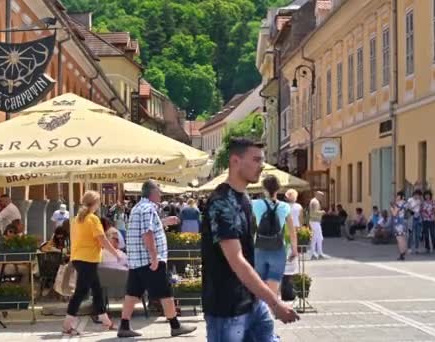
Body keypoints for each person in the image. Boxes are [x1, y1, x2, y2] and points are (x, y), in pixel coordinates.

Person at [202, 138, 299, 342]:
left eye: (262, 160)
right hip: (227, 308)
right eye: (256, 159)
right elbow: (236, 260)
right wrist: (274, 303)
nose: (261, 165)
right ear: (235, 161)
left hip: (252, 302)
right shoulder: (221, 202)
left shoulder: (244, 198)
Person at [117, 180, 196, 338]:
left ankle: (124, 326)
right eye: (159, 191)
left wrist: (165, 222)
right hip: (149, 259)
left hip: (137, 260)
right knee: (165, 291)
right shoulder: (148, 209)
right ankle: (175, 325)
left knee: (132, 293)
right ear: (152, 193)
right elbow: (147, 233)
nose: (160, 194)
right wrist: (154, 257)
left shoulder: (138, 208)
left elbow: (148, 227)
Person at [63, 191, 121, 335]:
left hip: (78, 258)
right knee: (81, 292)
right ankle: (67, 325)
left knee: (96, 289)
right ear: (95, 203)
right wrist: (116, 253)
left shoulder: (76, 219)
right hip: (88, 259)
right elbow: (102, 240)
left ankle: (105, 321)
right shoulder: (93, 219)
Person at [252, 175, 297, 296]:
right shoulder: (285, 207)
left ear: (264, 189)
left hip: (260, 248)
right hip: (278, 248)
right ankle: (272, 311)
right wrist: (294, 250)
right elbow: (292, 231)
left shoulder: (255, 205)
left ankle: (264, 312)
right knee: (274, 286)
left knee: (260, 285)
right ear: (278, 189)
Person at [392, 191, 409, 260]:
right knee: (403, 238)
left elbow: (394, 213)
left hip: (398, 223)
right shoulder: (406, 203)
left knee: (399, 239)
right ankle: (405, 251)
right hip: (404, 222)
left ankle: (401, 254)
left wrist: (392, 208)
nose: (396, 197)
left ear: (400, 196)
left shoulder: (398, 203)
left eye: (397, 196)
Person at [309, 192, 327, 260]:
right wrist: (322, 212)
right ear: (317, 195)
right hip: (315, 221)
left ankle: (319, 253)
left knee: (319, 238)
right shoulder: (315, 202)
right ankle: (314, 253)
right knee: (315, 238)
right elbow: (314, 212)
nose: (322, 198)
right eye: (321, 196)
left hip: (315, 221)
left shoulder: (314, 201)